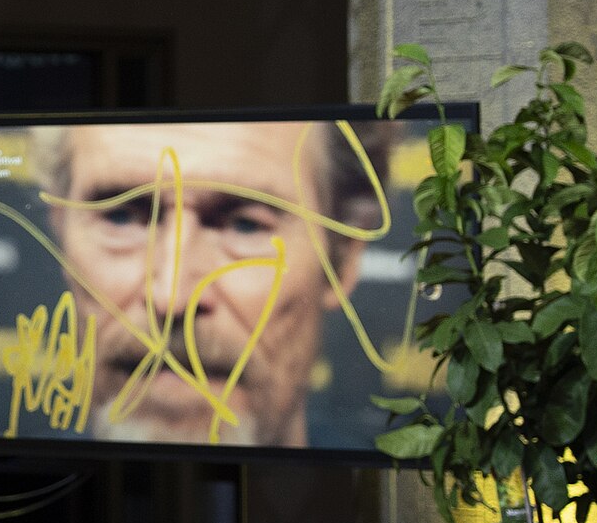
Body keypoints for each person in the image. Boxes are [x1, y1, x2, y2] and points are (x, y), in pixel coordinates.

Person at [31, 120, 389, 447]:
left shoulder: (388, 506)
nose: (171, 298)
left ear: (342, 257)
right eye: (121, 217)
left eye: (245, 224)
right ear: (61, 235)